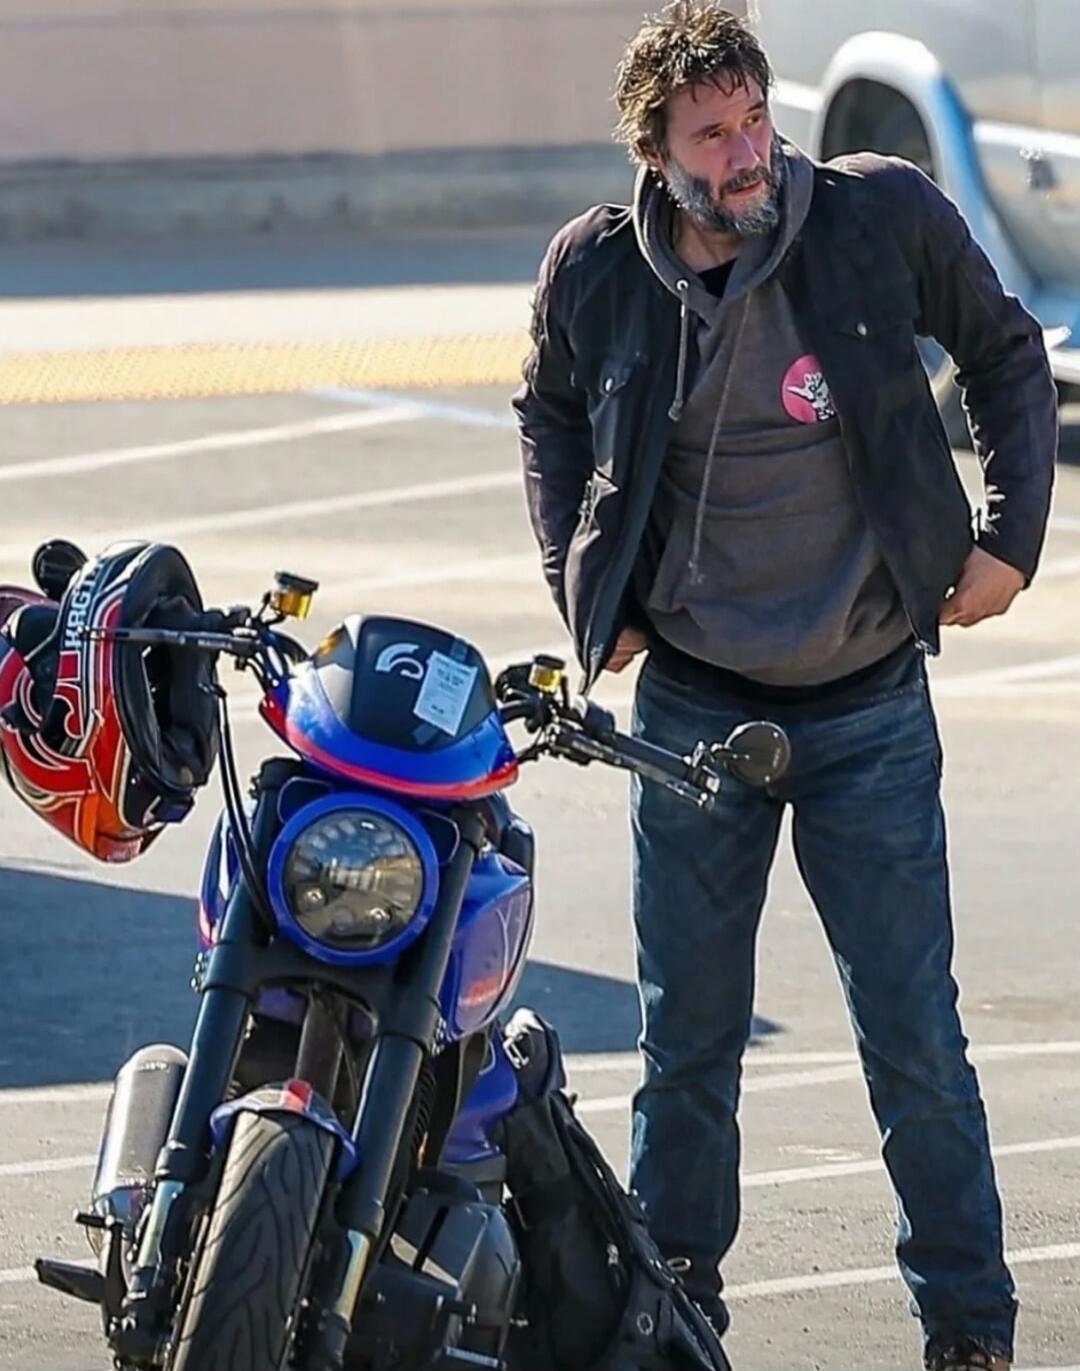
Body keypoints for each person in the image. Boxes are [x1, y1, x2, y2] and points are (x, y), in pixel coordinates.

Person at [511, 5, 1058, 1368]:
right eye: (713, 134)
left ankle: (971, 1327)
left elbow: (1005, 350)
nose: (748, 153)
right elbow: (548, 409)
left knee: (914, 1042)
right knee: (684, 1047)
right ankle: (672, 1315)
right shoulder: (598, 272)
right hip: (696, 714)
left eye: (757, 119)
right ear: (656, 151)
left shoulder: (876, 221)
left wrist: (1011, 543)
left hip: (868, 700)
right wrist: (584, 578)